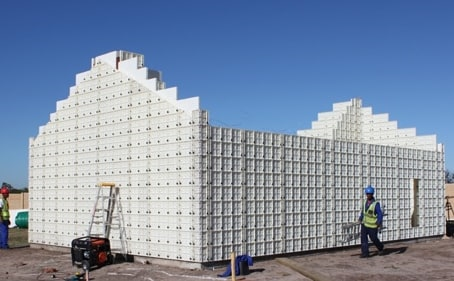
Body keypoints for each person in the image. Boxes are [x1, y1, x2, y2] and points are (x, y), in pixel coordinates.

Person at [358, 185, 384, 258]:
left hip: (372, 226)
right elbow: (363, 212)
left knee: (374, 239)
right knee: (363, 239)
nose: (368, 195)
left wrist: (379, 222)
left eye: (370, 194)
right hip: (364, 224)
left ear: (372, 194)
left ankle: (380, 247)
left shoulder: (376, 204)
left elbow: (380, 214)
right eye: (367, 194)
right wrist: (360, 218)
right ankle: (365, 253)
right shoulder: (364, 202)